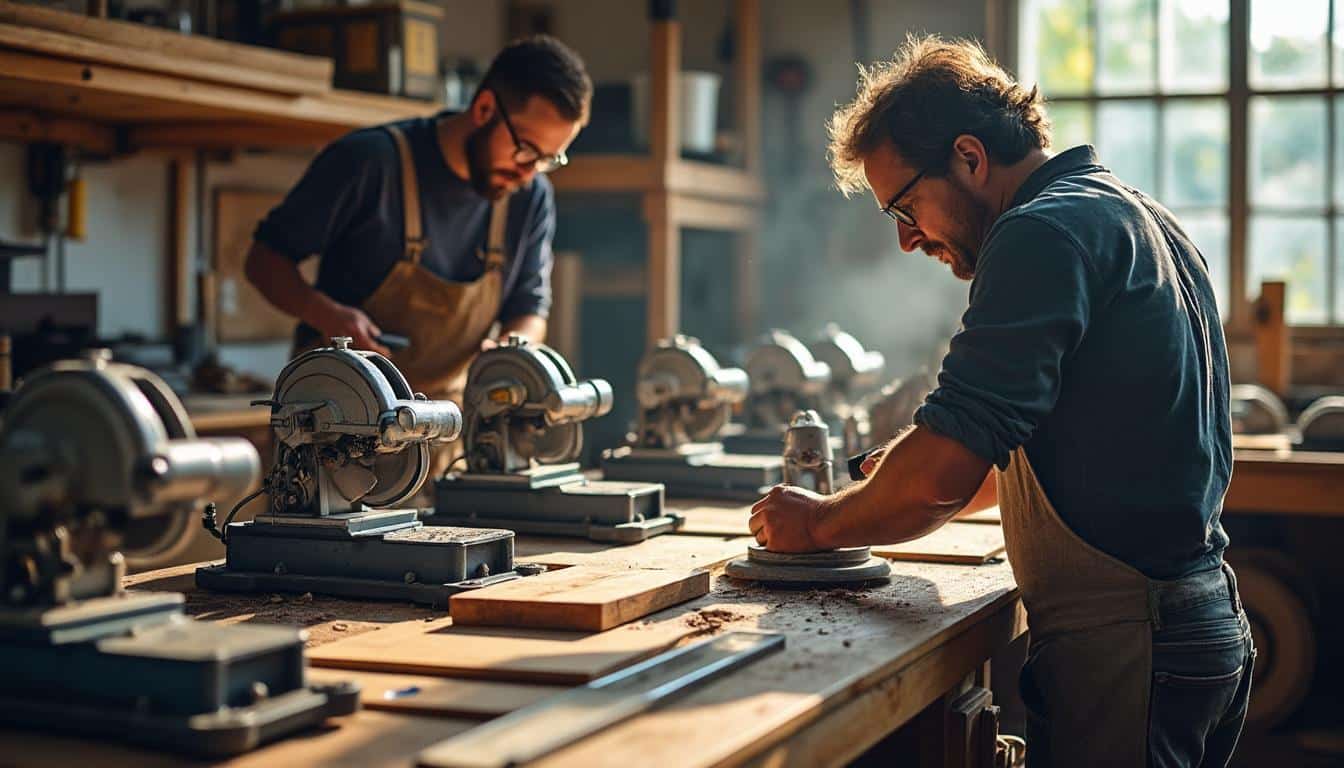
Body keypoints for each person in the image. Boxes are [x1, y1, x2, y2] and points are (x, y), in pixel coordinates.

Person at [749, 36, 1253, 767]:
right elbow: (1014, 460)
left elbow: (940, 479)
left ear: (970, 158)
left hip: (1130, 643)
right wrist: (888, 473)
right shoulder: (1138, 217)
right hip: (1192, 625)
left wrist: (819, 524)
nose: (906, 238)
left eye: (906, 203)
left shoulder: (1040, 232)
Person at [245, 35, 591, 475]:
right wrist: (328, 315)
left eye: (548, 159)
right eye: (525, 149)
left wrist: (509, 350)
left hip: (445, 436)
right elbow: (264, 260)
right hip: (336, 432)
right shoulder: (369, 163)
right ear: (484, 108)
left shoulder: (529, 197)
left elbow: (529, 305)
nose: (528, 172)